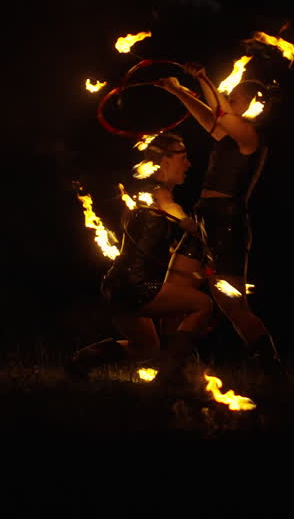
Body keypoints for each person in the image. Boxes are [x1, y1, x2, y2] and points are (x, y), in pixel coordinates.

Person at [156, 65, 285, 379]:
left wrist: (203, 78)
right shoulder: (229, 133)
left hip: (227, 225)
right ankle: (172, 372)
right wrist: (178, 90)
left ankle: (273, 372)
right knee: (173, 293)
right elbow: (210, 117)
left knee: (233, 306)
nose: (229, 98)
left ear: (252, 103)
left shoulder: (250, 136)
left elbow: (218, 111)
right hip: (204, 218)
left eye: (236, 97)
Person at [66, 133, 213, 384]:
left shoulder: (144, 194)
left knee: (145, 348)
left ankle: (80, 362)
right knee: (203, 306)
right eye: (183, 158)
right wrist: (185, 221)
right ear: (165, 161)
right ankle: (169, 374)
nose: (188, 164)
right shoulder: (157, 193)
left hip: (116, 285)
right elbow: (168, 205)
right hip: (135, 286)